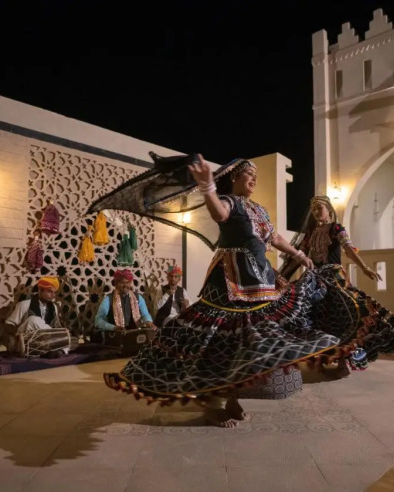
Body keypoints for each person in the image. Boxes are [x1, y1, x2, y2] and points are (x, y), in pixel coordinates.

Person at [103, 154, 377, 429]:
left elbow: (274, 237)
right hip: (230, 280)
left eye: (256, 175)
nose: (254, 179)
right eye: (249, 174)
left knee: (245, 340)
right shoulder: (228, 202)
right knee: (220, 337)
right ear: (234, 177)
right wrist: (207, 186)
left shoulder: (258, 209)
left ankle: (232, 397)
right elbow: (219, 215)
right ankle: (214, 403)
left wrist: (299, 255)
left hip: (259, 278)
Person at [280, 195, 394, 378]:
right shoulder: (310, 233)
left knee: (345, 312)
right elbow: (299, 256)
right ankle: (321, 358)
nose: (316, 212)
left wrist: (364, 268)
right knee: (312, 315)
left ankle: (343, 362)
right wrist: (283, 276)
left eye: (319, 208)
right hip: (314, 279)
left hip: (334, 277)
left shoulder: (337, 228)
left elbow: (349, 250)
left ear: (329, 209)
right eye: (314, 208)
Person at [4, 276, 71, 357]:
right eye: (50, 291)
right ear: (40, 290)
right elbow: (8, 324)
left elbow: (56, 327)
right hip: (20, 342)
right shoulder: (24, 305)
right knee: (33, 320)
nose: (53, 295)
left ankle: (54, 351)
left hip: (41, 343)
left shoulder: (53, 307)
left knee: (65, 335)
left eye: (54, 292)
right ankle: (59, 347)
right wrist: (19, 336)